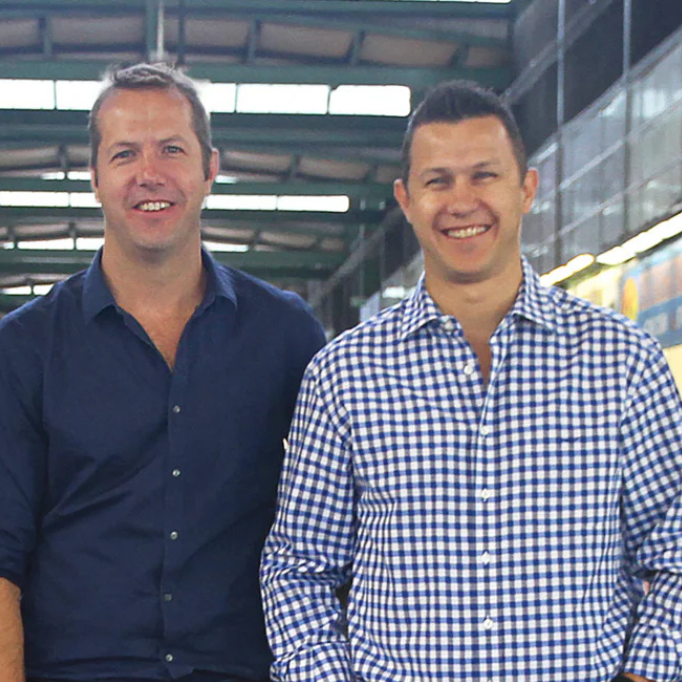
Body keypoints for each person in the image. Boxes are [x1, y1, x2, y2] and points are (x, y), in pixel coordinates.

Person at [259, 80, 682, 682]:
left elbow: (674, 546)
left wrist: (646, 674)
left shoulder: (622, 361)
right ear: (407, 199)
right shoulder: (344, 375)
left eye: (484, 175)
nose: (461, 202)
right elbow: (299, 566)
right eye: (438, 181)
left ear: (526, 188)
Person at [0, 63, 325, 682]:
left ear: (210, 169)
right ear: (95, 178)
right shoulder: (23, 348)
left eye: (172, 149)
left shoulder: (286, 335)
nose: (150, 173)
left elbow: (338, 529)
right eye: (125, 153)